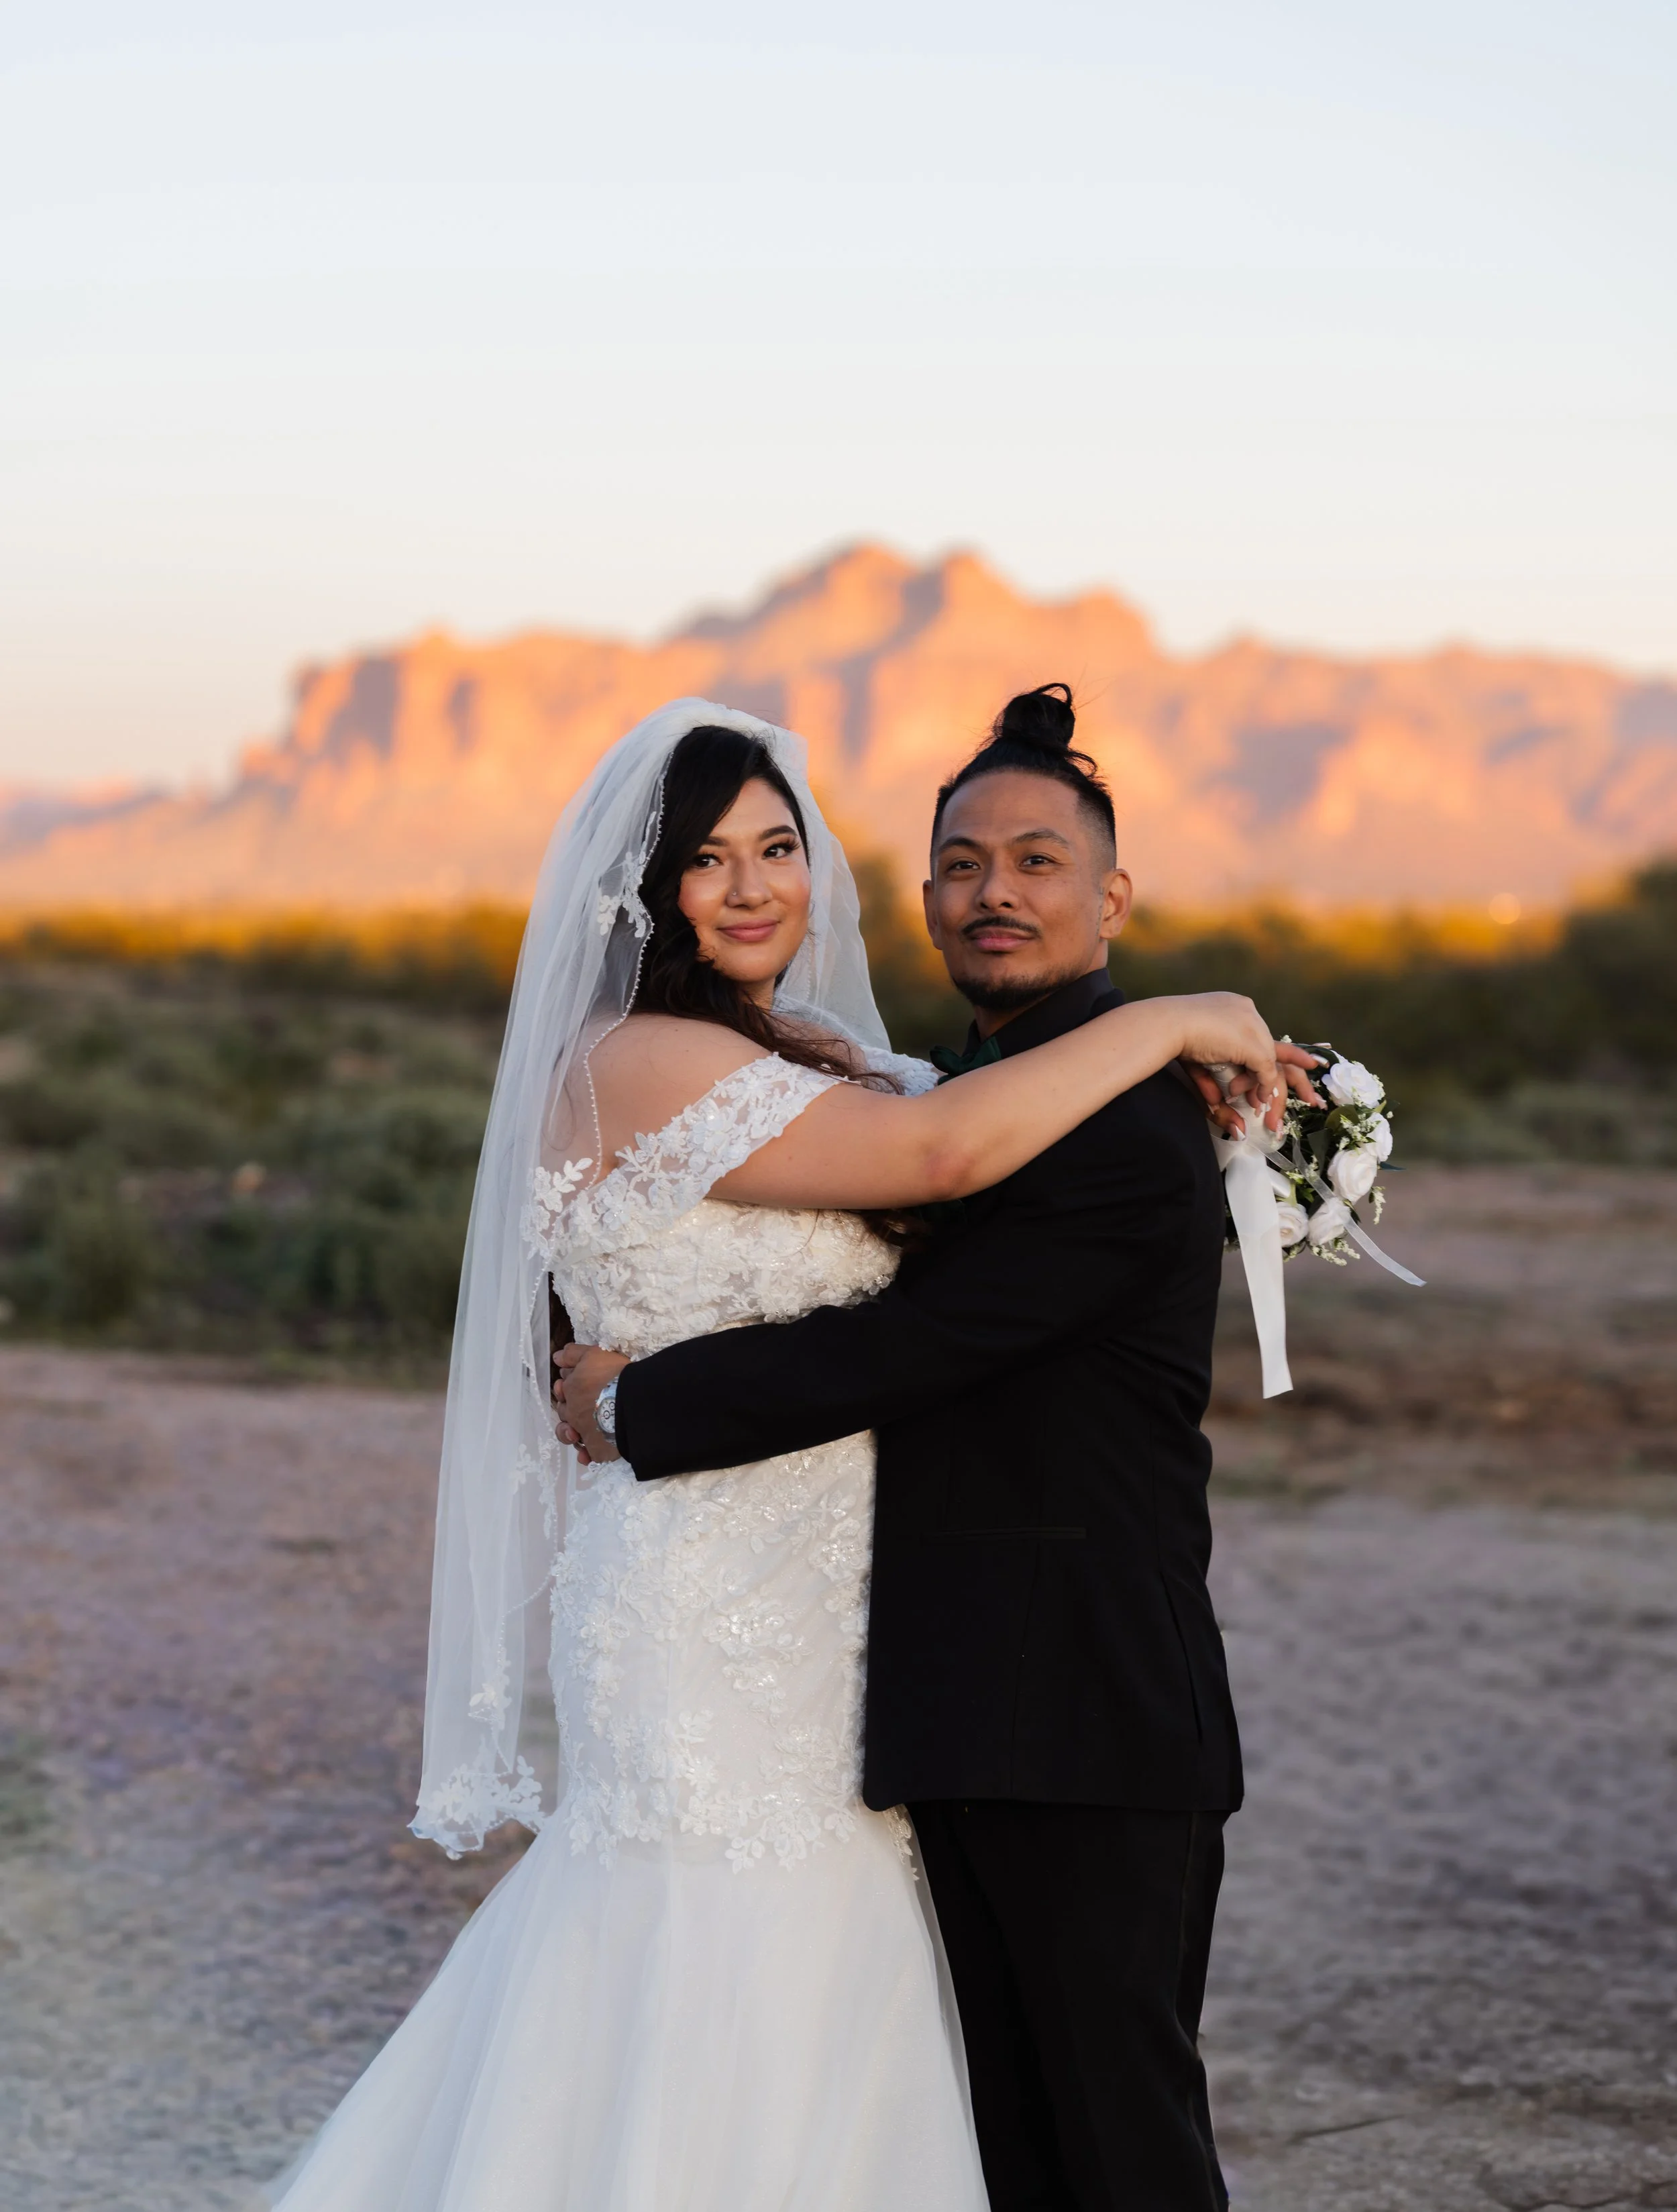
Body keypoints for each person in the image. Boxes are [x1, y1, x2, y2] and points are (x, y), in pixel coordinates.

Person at [269, 695, 1306, 2212]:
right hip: (718, 1615)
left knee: (910, 2031)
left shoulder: (824, 1061)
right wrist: (1172, 1015)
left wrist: (1156, 1046)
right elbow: (939, 1159)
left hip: (894, 1649)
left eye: (778, 847)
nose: (752, 886)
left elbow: (940, 1148)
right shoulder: (646, 1061)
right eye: (707, 858)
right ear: (646, 890)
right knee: (717, 1969)